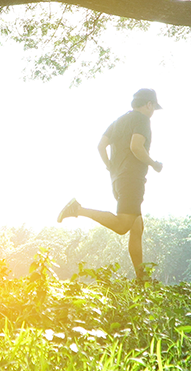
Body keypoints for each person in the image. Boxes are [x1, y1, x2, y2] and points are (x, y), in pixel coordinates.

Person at [57, 88, 163, 280]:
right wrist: (154, 164)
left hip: (118, 180)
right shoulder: (142, 120)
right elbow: (136, 147)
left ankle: (142, 278)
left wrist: (110, 168)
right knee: (123, 225)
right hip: (132, 179)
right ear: (148, 104)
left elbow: (100, 146)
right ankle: (78, 209)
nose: (153, 111)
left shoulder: (118, 121)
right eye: (153, 107)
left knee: (136, 226)